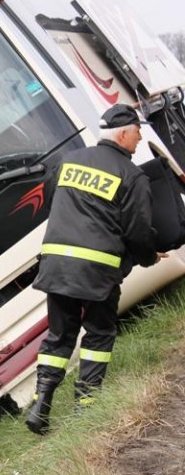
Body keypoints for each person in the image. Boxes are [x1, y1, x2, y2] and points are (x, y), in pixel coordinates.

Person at [25, 104, 167, 435]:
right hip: (98, 271)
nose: (140, 136)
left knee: (59, 336)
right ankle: (85, 407)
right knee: (99, 333)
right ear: (122, 133)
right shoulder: (131, 176)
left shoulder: (67, 161)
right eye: (136, 130)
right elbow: (138, 230)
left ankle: (41, 403)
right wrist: (149, 258)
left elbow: (51, 201)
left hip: (57, 265)